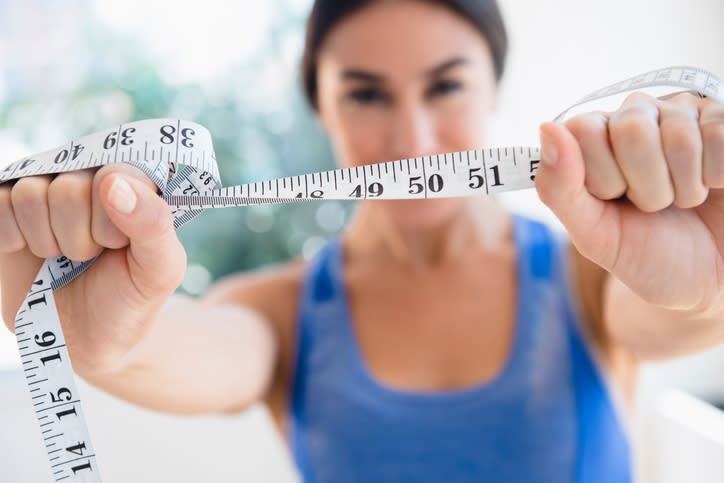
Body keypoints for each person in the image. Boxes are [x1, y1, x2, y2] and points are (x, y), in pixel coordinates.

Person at [1, 0, 723, 481]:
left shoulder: (595, 275)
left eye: (445, 87)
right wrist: (97, 336)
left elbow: (676, 309)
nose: (411, 141)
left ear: (494, 89)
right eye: (367, 94)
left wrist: (711, 283)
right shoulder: (280, 310)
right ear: (322, 107)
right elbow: (177, 346)